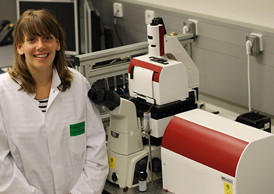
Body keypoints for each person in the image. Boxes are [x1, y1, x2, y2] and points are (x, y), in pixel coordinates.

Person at [0, 9, 108, 194]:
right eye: (32, 40)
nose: (41, 46)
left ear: (57, 43)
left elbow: (96, 147)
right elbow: (2, 165)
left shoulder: (77, 83)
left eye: (48, 38)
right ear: (20, 47)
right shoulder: (3, 92)